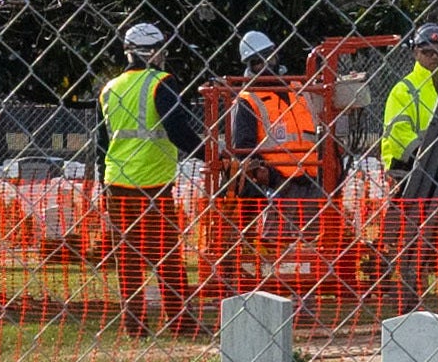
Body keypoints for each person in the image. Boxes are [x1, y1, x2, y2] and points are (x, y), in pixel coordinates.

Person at [214, 27, 336, 284]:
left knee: (311, 244)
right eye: (257, 61)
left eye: (267, 56)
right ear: (249, 64)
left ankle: (303, 293)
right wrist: (267, 175)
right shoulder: (248, 100)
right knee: (275, 245)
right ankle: (268, 288)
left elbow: (318, 129)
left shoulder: (297, 89)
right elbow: (244, 148)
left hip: (311, 177)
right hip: (279, 183)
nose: (264, 64)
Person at [95, 24, 190, 336]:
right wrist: (210, 152)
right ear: (157, 51)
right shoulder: (162, 83)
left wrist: (101, 182)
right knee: (167, 257)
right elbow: (177, 129)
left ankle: (133, 325)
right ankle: (180, 322)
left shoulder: (109, 88)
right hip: (152, 185)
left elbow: (102, 143)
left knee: (129, 259)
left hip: (117, 185)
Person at [375, 23, 438, 309]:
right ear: (415, 52)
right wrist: (420, 156)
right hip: (410, 169)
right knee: (415, 231)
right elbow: (399, 132)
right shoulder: (405, 90)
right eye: (427, 52)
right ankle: (407, 288)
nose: (434, 57)